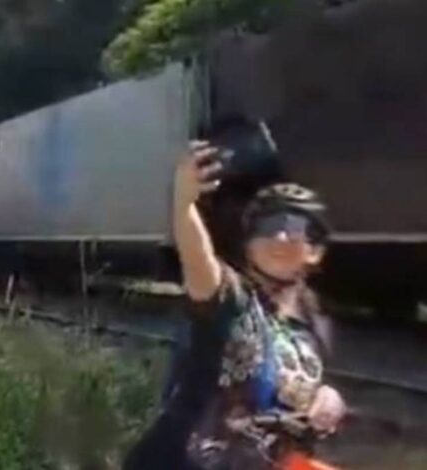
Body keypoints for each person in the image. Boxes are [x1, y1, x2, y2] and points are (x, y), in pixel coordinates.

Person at [124, 141, 346, 469]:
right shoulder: (231, 300)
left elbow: (303, 394)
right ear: (249, 246)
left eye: (294, 228)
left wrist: (330, 399)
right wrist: (184, 204)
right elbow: (199, 263)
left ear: (315, 251)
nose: (280, 238)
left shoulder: (314, 326)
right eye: (268, 228)